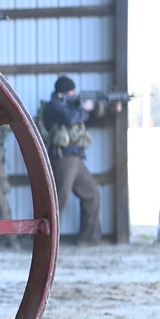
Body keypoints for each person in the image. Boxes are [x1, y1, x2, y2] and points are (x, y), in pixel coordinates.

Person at [40, 75, 110, 245]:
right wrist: (85, 108)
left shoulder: (72, 105)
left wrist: (107, 107)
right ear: (63, 92)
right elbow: (71, 118)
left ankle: (89, 238)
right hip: (62, 158)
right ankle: (46, 239)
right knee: (59, 200)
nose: (75, 93)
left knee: (92, 193)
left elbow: (91, 115)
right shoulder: (53, 105)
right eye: (71, 91)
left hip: (76, 157)